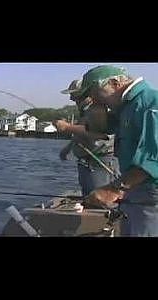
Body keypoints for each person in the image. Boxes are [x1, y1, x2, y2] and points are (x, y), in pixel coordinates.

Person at [76, 65, 158, 236]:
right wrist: (96, 107)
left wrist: (113, 189)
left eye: (94, 92)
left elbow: (153, 157)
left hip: (150, 197)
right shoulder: (126, 107)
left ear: (114, 83)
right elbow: (102, 128)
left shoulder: (151, 101)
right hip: (135, 195)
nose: (92, 98)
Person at [56, 80, 119, 196]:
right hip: (87, 163)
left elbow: (99, 134)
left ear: (85, 93)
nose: (71, 98)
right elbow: (83, 132)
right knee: (90, 197)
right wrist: (68, 148)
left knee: (101, 199)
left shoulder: (98, 109)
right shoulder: (86, 110)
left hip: (101, 162)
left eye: (73, 95)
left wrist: (67, 127)